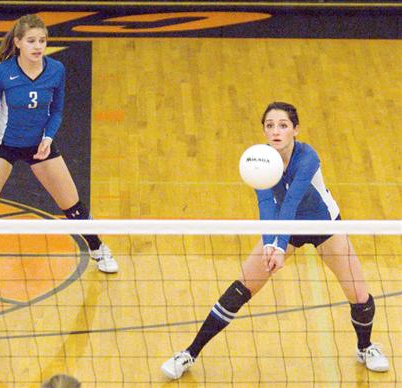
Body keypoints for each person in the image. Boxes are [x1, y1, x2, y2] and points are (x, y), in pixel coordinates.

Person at [161, 101, 389, 379]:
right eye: (270, 126)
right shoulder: (259, 159)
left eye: (283, 125)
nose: (276, 131)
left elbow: (292, 201)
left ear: (295, 129)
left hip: (324, 226)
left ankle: (366, 348)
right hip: (284, 226)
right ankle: (188, 353)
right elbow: (267, 205)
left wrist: (277, 246)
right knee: (240, 288)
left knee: (359, 295)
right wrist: (273, 244)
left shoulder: (308, 157)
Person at [0, 14, 118, 297]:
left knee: (73, 206)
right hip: (4, 146)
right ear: (18, 42)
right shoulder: (1, 73)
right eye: (31, 40)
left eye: (42, 41)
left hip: (38, 146)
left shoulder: (56, 70)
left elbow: (56, 110)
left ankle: (97, 249)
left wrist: (48, 138)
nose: (38, 46)